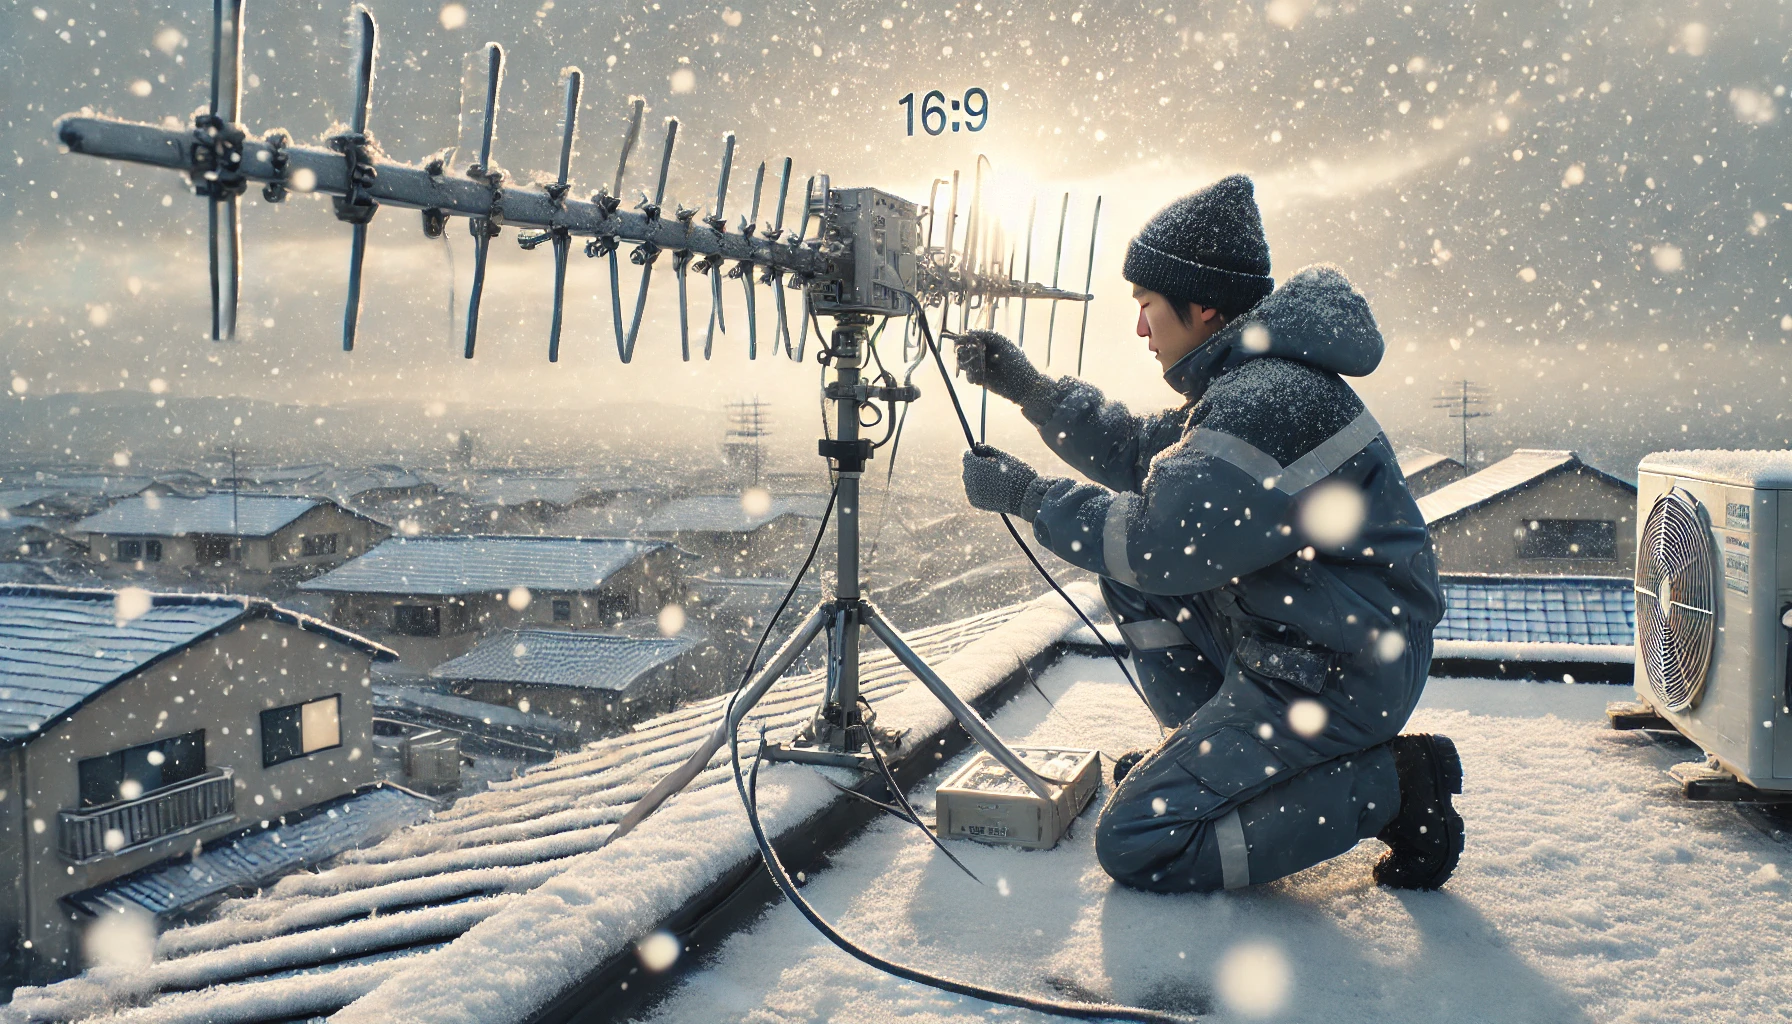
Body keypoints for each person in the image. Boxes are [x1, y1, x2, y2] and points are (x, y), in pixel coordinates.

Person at [955, 174, 1461, 892]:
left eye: (1147, 308)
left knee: (1138, 842)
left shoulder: (1266, 404)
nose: (1140, 329)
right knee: (1128, 582)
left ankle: (1396, 787)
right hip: (1311, 642)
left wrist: (1028, 496)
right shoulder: (1251, 384)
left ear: (1202, 307)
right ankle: (1212, 767)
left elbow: (1158, 542)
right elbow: (1143, 455)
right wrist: (1034, 391)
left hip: (1339, 672)